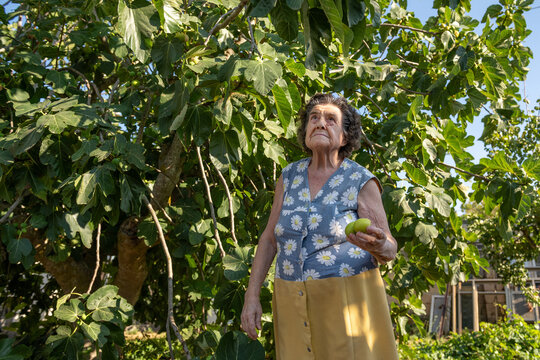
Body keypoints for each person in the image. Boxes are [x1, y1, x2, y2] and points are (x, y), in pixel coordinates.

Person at [241, 93, 399, 359]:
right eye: (314, 117)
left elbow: (390, 248)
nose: (320, 123)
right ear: (305, 131)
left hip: (346, 300)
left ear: (345, 137)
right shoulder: (288, 176)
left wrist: (381, 245)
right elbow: (270, 239)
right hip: (290, 297)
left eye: (330, 119)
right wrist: (252, 296)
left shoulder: (360, 179)